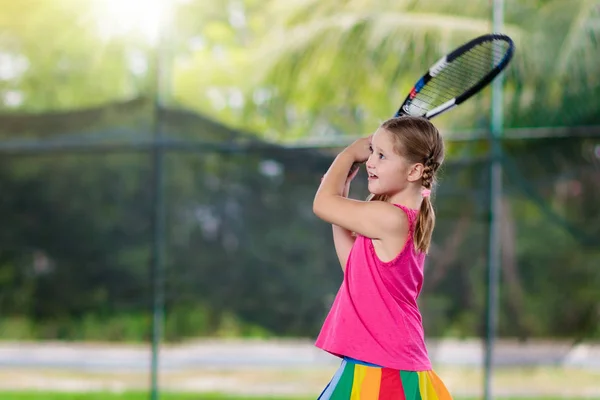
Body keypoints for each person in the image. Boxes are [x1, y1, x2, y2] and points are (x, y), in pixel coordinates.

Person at [312, 116, 452, 399]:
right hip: (377, 365)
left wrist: (348, 154)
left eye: (381, 155)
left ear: (413, 171)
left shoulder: (391, 218)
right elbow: (353, 267)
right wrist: (340, 187)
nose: (370, 162)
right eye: (371, 151)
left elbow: (322, 204)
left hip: (384, 370)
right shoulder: (396, 219)